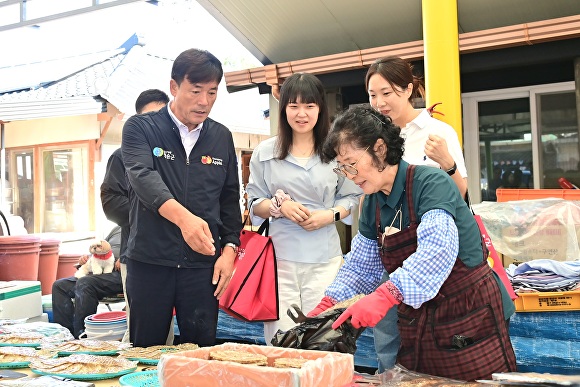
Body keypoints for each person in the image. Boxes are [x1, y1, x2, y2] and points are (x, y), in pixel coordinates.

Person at [309, 106, 516, 381]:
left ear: (380, 149)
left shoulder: (430, 182)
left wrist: (385, 296)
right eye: (341, 167)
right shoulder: (371, 202)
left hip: (469, 314)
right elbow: (361, 268)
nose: (348, 174)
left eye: (350, 163)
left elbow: (437, 250)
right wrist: (329, 305)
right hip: (418, 320)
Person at [121, 48, 242, 347]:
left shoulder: (221, 137)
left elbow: (229, 199)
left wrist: (230, 250)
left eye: (212, 92)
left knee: (201, 355)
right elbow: (142, 177)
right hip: (149, 262)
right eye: (196, 90)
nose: (204, 102)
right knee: (145, 355)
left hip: (202, 268)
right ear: (174, 87)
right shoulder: (141, 128)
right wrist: (185, 220)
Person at [365, 56, 469, 372]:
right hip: (391, 250)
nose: (380, 102)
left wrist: (447, 162)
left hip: (432, 252)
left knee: (433, 337)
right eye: (372, 94)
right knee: (386, 336)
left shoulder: (437, 132)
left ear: (408, 89)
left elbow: (461, 194)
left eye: (388, 92)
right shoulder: (372, 137)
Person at [246, 73, 362, 344]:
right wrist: (278, 208)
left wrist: (328, 215)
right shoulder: (265, 153)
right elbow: (253, 204)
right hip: (278, 262)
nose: (302, 114)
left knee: (324, 340)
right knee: (281, 342)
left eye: (309, 106)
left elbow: (351, 198)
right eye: (294, 106)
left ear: (320, 108)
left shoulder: (336, 152)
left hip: (326, 261)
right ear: (283, 107)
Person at [100, 88, 170, 344]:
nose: (155, 124)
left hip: (176, 257)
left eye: (161, 116)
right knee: (139, 328)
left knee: (170, 332)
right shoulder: (121, 156)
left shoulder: (177, 156)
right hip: (138, 252)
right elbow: (110, 203)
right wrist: (156, 214)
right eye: (148, 118)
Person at [52, 226, 123, 339]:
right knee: (60, 286)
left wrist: (127, 258)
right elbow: (100, 250)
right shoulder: (117, 229)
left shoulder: (141, 229)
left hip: (121, 275)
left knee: (85, 283)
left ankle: (83, 336)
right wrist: (86, 260)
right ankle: (65, 336)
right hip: (98, 272)